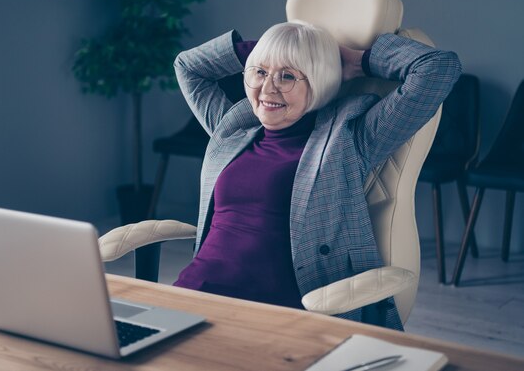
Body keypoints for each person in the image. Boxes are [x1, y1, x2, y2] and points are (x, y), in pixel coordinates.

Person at [171, 22, 461, 330]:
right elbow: (187, 66)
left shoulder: (349, 139)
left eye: (287, 76)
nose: (268, 89)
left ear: (318, 80)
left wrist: (355, 60)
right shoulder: (231, 129)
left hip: (274, 312)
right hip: (195, 292)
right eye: (260, 73)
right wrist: (268, 52)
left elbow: (439, 69)